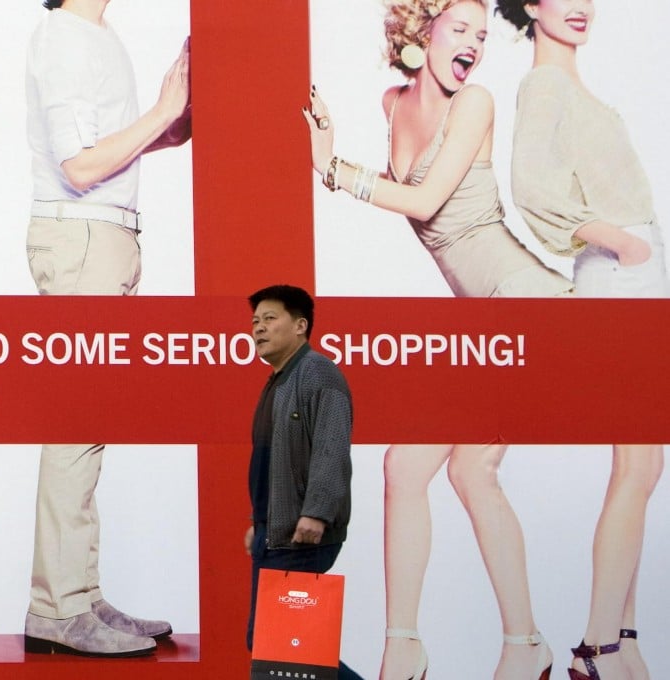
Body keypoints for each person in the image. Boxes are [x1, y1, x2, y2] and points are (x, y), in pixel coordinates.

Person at [303, 2, 558, 678]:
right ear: (423, 30)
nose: (474, 43)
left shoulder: (474, 102)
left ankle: (422, 651)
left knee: (450, 469)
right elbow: (398, 190)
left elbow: (421, 203)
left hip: (525, 305)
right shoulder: (393, 103)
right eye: (460, 28)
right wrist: (329, 152)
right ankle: (498, 648)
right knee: (432, 469)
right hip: (484, 320)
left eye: (481, 34)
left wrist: (333, 170)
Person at [495, 1, 666, 678]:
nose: (580, 7)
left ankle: (620, 639)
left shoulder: (566, 83)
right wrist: (620, 242)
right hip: (621, 279)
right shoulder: (543, 85)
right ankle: (598, 647)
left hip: (638, 275)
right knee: (637, 465)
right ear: (531, 6)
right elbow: (532, 191)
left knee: (644, 467)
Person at [22, 0, 191, 658]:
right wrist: (161, 112)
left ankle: (80, 597)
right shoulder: (63, 36)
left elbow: (124, 147)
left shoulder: (96, 35)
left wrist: (177, 116)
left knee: (90, 424)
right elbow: (80, 166)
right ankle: (58, 609)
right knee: (75, 423)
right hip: (82, 241)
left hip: (108, 239)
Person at [244, 285, 361, 680]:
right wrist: (258, 521)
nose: (258, 328)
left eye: (269, 319)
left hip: (302, 534)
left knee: (286, 646)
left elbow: (331, 447)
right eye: (255, 321)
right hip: (275, 531)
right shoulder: (278, 380)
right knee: (275, 644)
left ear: (300, 325)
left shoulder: (317, 372)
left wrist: (316, 512)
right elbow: (274, 462)